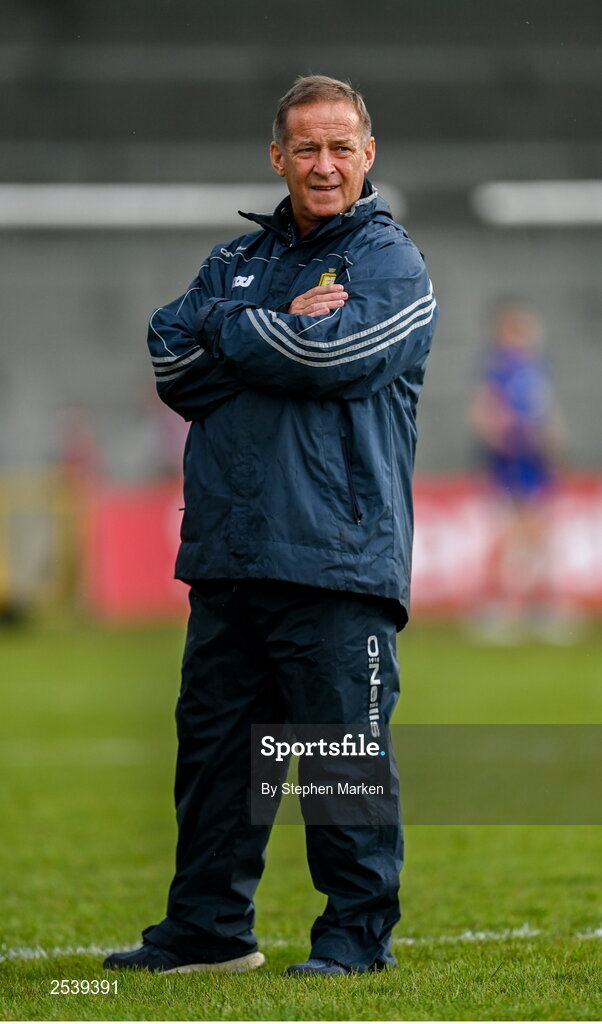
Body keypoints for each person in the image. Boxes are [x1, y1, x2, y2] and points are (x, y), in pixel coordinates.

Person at [103, 75, 438, 977]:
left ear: (368, 156)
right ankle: (210, 934)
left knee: (340, 764)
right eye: (305, 148)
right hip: (228, 550)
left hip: (336, 555)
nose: (322, 165)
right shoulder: (233, 262)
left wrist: (237, 337)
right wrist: (263, 322)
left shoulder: (389, 264)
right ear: (277, 157)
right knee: (214, 760)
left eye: (340, 147)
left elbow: (326, 354)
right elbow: (170, 354)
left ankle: (354, 940)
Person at [470, 304, 565, 639]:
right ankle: (508, 608)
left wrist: (547, 438)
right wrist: (505, 435)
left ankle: (543, 606)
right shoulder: (499, 370)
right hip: (510, 463)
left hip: (534, 463)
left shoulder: (537, 368)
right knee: (511, 534)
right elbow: (485, 413)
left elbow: (548, 416)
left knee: (538, 534)